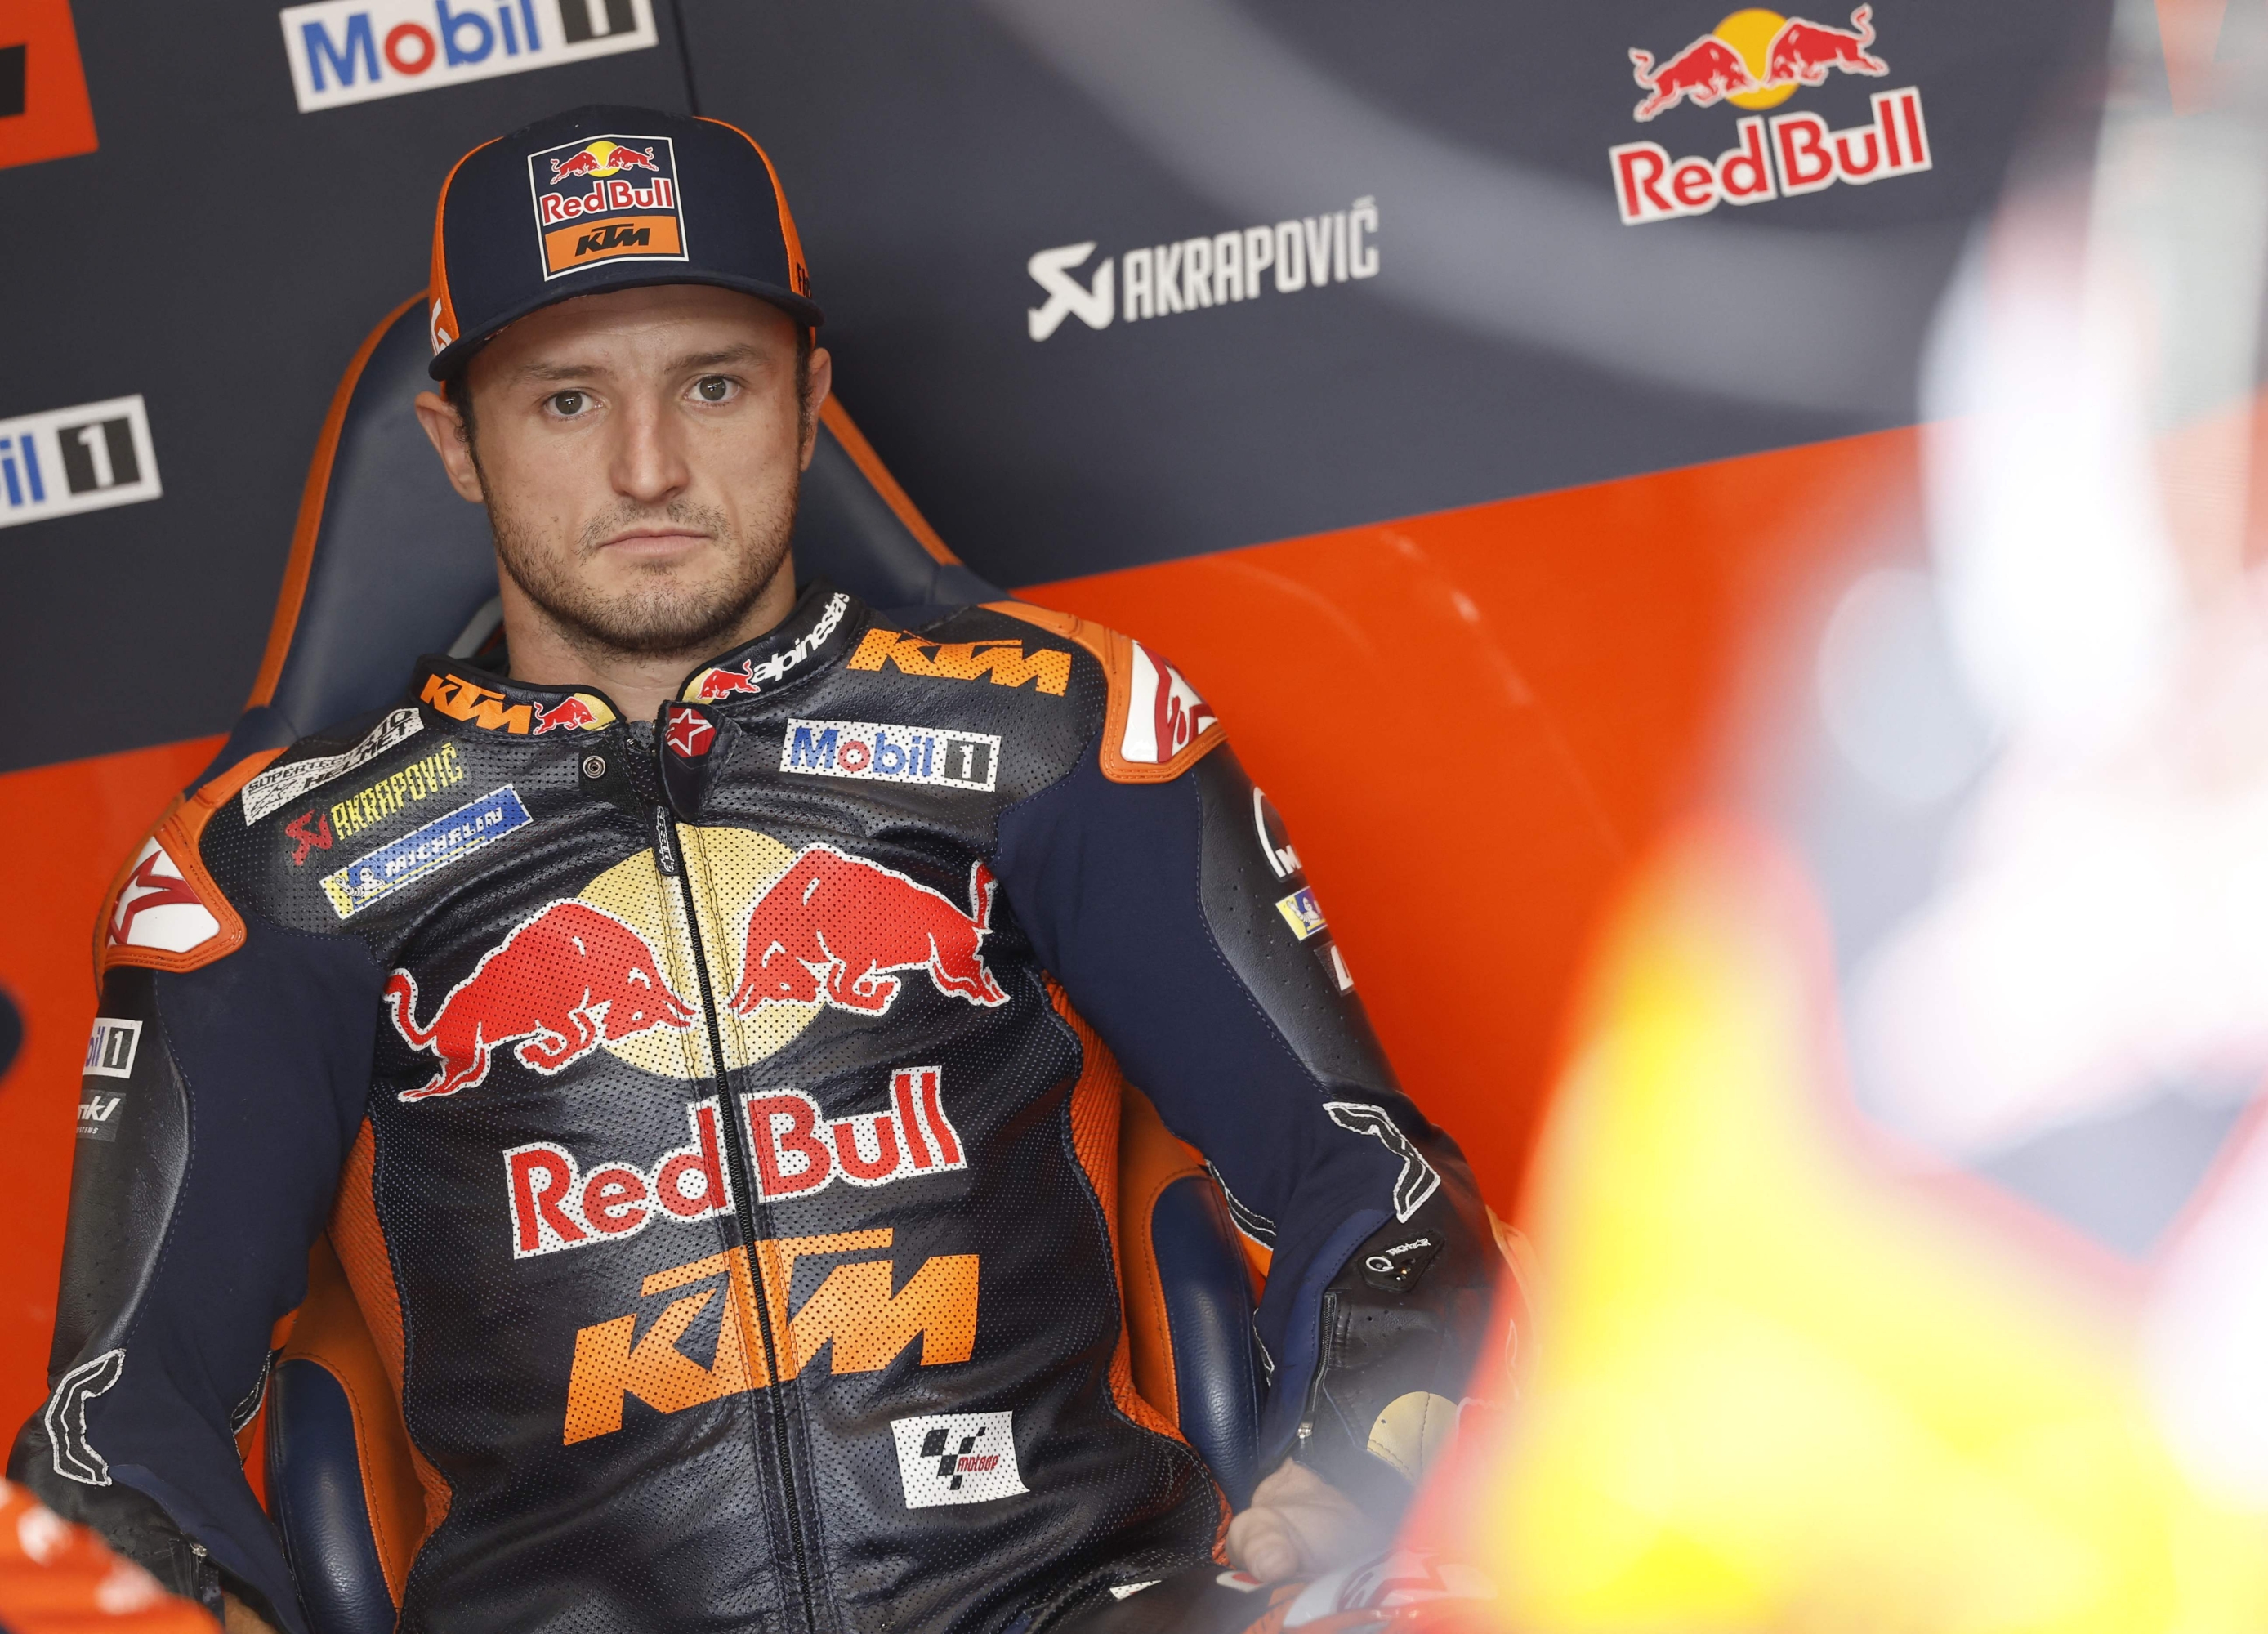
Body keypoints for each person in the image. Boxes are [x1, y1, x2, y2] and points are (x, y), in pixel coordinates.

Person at [10, 105, 1501, 1634]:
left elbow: (1373, 1181)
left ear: (805, 401)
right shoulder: (271, 869)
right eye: (567, 402)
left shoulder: (1061, 735)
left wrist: (1367, 1467)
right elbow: (117, 1430)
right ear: (457, 442)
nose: (650, 468)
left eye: (712, 386)